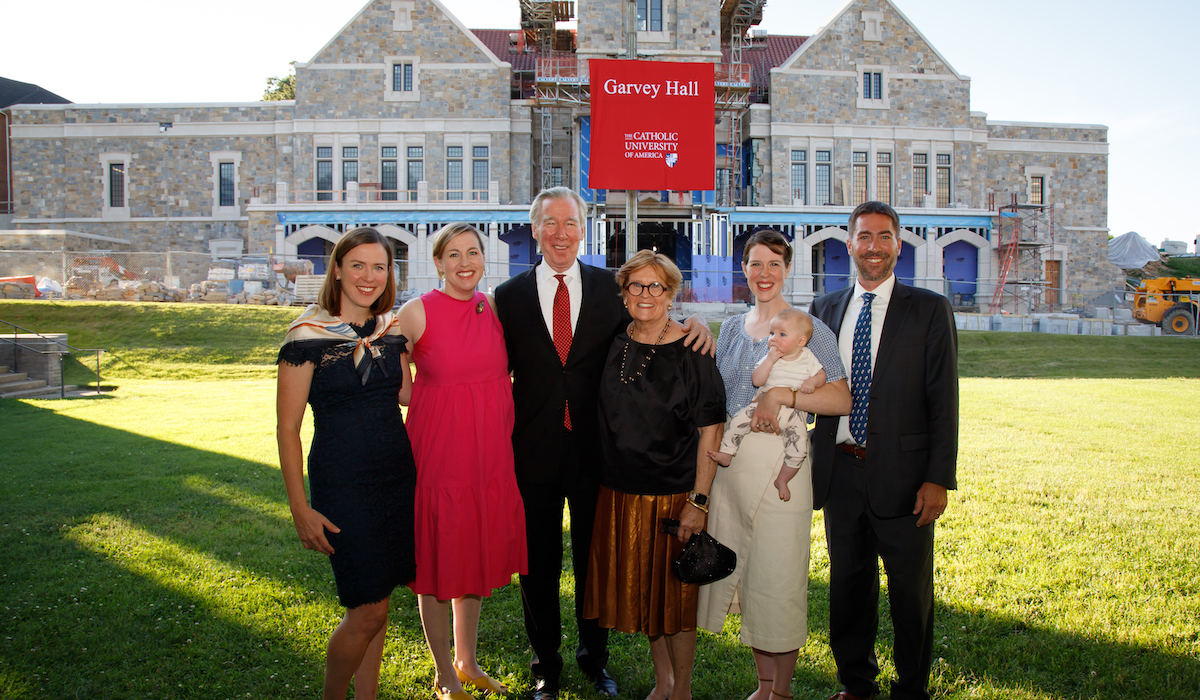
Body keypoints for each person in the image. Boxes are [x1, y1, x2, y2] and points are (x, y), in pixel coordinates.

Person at [494, 187, 714, 700]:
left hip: (598, 455)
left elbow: (650, 324)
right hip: (533, 455)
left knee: (594, 564)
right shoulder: (508, 298)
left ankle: (596, 660)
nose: (560, 233)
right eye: (550, 223)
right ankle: (545, 664)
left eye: (570, 223)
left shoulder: (606, 290)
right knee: (539, 567)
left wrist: (690, 325)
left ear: (583, 229)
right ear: (535, 230)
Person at [809, 201, 958, 700]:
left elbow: (943, 399)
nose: (873, 246)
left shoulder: (929, 309)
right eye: (864, 237)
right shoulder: (825, 309)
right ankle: (856, 684)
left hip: (907, 477)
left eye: (884, 236)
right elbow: (800, 378)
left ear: (898, 244)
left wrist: (938, 478)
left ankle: (911, 689)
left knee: (910, 596)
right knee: (849, 588)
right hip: (841, 474)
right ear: (849, 244)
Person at [696, 228, 851, 700]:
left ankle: (780, 692)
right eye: (755, 264)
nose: (764, 274)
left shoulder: (808, 327)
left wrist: (783, 394)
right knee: (746, 575)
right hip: (733, 467)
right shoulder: (731, 330)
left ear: (787, 269)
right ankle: (763, 686)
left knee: (778, 576)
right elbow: (716, 400)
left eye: (774, 264)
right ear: (743, 268)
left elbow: (842, 397)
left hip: (784, 466)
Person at [276, 227, 416, 700]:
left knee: (380, 598)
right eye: (358, 265)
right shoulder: (306, 334)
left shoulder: (392, 330)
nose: (369, 276)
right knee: (368, 609)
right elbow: (287, 429)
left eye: (379, 267)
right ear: (337, 268)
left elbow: (405, 395)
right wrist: (300, 507)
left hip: (396, 477)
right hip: (343, 484)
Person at [582, 250, 726, 700]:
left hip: (673, 495)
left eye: (656, 286)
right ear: (623, 293)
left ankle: (681, 689)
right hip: (620, 492)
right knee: (649, 599)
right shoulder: (613, 339)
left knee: (675, 603)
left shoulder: (692, 350)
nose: (646, 295)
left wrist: (698, 502)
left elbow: (711, 430)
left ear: (671, 293)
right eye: (636, 286)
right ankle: (663, 680)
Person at [399, 223, 528, 700]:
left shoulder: (493, 307)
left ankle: (467, 660)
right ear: (438, 263)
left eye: (472, 252)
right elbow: (398, 383)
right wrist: (440, 401)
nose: (464, 262)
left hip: (489, 453)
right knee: (437, 559)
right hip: (440, 452)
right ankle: (443, 673)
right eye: (453, 255)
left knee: (471, 552)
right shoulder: (416, 313)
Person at [707, 307, 827, 502]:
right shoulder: (770, 357)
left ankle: (783, 479)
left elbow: (821, 375)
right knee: (738, 421)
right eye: (771, 333)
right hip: (761, 403)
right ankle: (727, 452)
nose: (773, 338)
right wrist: (769, 360)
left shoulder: (807, 357)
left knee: (798, 449)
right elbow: (757, 380)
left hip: (794, 412)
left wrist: (812, 383)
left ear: (801, 341)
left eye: (782, 334)